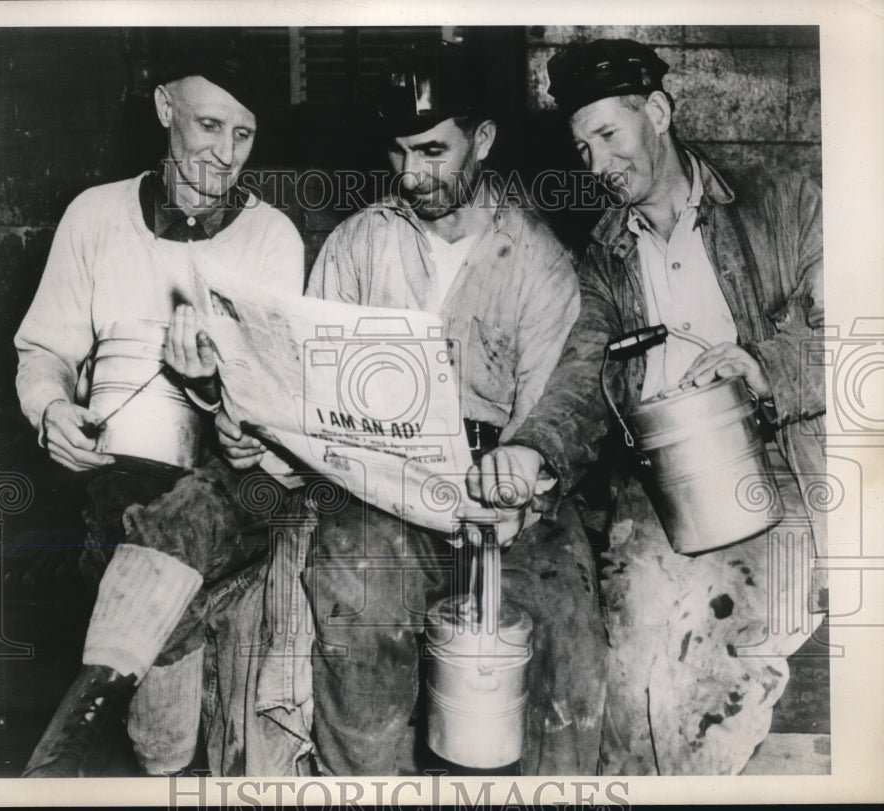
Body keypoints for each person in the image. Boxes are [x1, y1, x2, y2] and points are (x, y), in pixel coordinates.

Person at [469, 38, 827, 775]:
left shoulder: (782, 200)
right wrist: (534, 449)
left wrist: (762, 367)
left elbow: (862, 339)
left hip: (781, 479)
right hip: (664, 488)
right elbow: (582, 373)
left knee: (710, 668)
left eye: (607, 136)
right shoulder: (605, 257)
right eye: (581, 147)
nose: (596, 164)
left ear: (658, 112)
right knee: (632, 674)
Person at [300, 40, 606, 776]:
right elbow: (310, 383)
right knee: (358, 606)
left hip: (503, 500)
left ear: (485, 140)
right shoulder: (357, 245)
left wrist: (518, 485)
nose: (412, 174)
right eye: (400, 152)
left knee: (563, 627)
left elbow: (547, 412)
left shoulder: (538, 261)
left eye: (434, 151)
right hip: (380, 490)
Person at [15, 40, 304, 776]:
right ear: (164, 108)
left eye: (243, 136)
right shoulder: (95, 216)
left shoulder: (271, 238)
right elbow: (42, 350)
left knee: (168, 525)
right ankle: (160, 758)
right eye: (208, 126)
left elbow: (275, 431)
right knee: (140, 527)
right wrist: (52, 408)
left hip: (244, 481)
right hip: (121, 477)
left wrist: (214, 396)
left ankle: (79, 746)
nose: (225, 155)